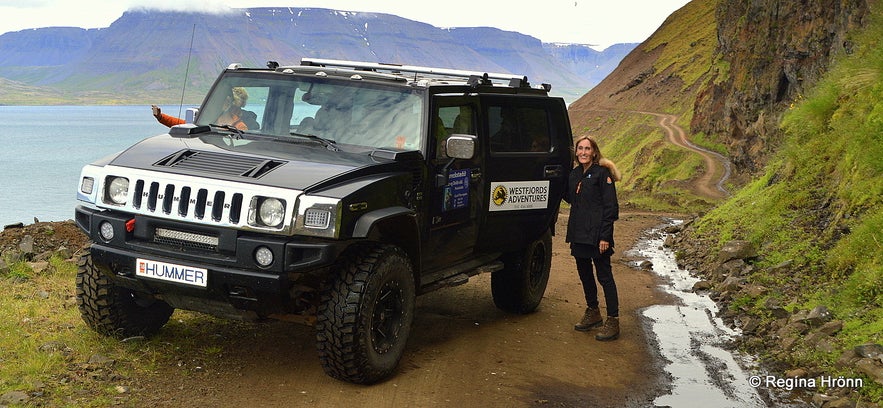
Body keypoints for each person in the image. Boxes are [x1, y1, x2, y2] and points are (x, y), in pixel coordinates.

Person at [563, 136, 621, 341]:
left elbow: (611, 207)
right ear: (576, 151)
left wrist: (605, 236)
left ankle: (613, 320)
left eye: (587, 149)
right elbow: (570, 198)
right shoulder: (574, 174)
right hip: (579, 233)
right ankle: (593, 311)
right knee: (584, 274)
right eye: (580, 148)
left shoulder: (602, 174)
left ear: (594, 152)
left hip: (597, 236)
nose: (583, 152)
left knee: (604, 276)